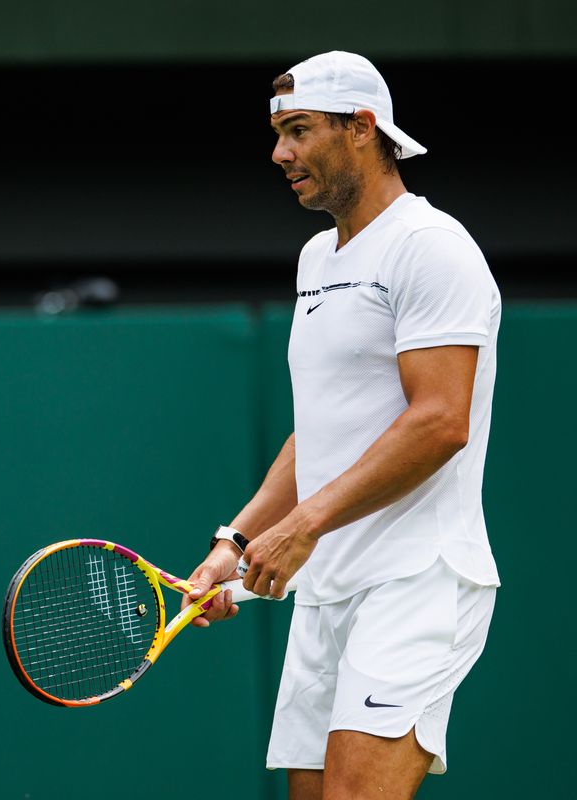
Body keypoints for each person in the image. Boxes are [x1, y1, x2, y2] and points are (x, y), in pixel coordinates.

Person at [181, 52, 500, 799]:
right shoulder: (317, 258)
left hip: (417, 580)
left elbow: (442, 421)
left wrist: (304, 527)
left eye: (298, 131)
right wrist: (236, 541)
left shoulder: (432, 247)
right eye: (276, 133)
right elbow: (320, 435)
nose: (278, 153)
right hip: (327, 588)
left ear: (361, 128)